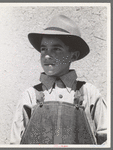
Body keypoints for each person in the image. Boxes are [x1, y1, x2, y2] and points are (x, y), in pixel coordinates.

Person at [10, 15, 107, 145]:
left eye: (56, 49)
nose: (47, 55)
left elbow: (107, 140)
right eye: (43, 48)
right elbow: (15, 143)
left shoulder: (89, 93)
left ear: (73, 55)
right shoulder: (30, 96)